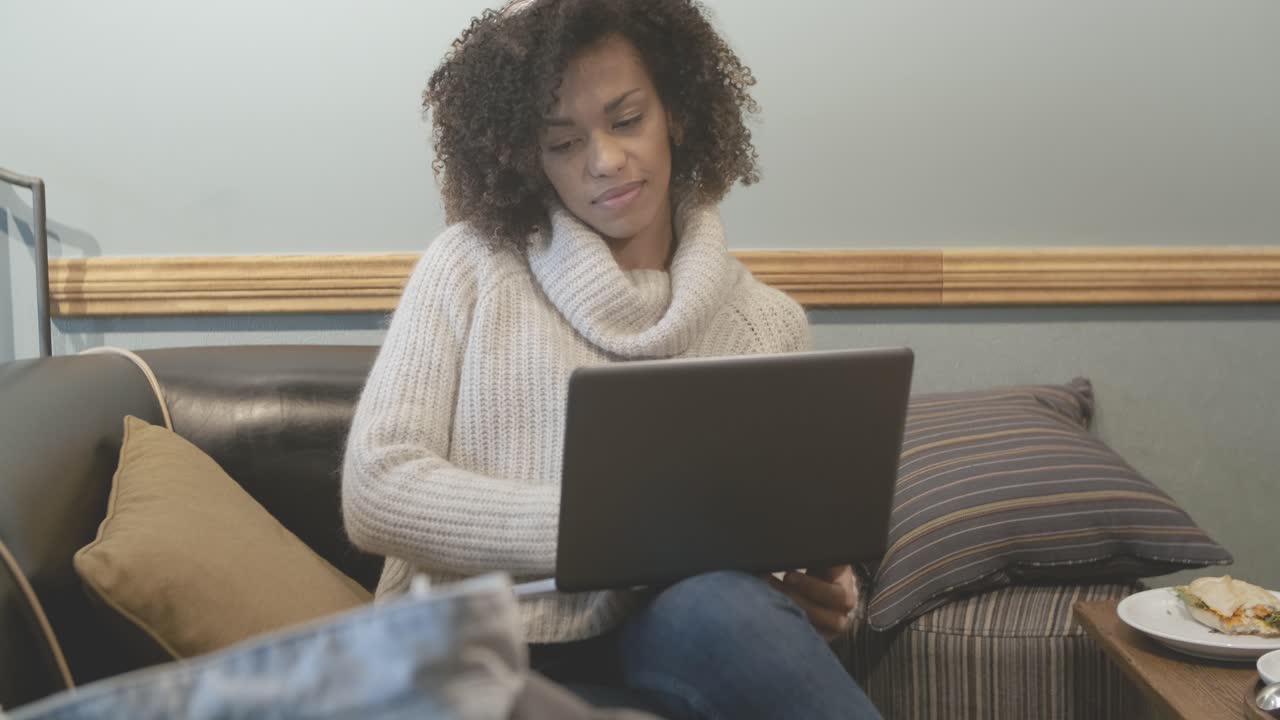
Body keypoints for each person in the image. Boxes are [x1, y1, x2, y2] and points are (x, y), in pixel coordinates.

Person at [342, 1, 883, 718]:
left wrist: (823, 598)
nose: (605, 160)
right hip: (486, 639)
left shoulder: (766, 324)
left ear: (677, 114)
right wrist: (606, 533)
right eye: (563, 142)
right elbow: (376, 488)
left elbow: (776, 535)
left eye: (627, 120)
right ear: (527, 156)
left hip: (683, 629)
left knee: (726, 606)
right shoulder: (469, 268)